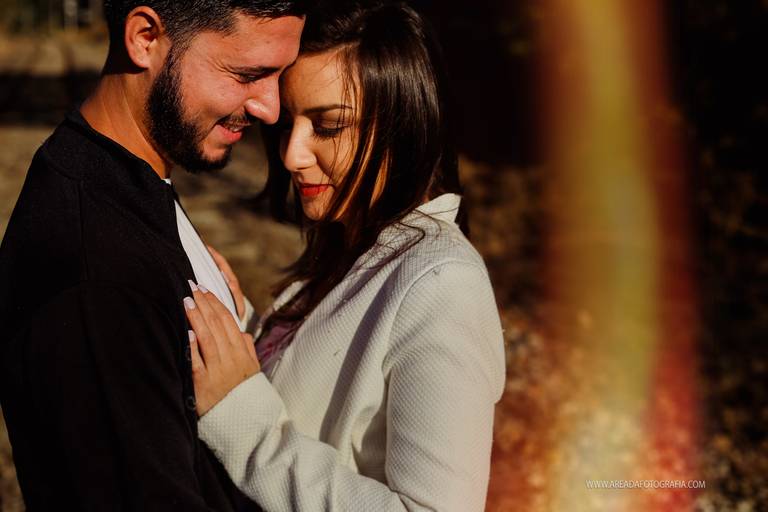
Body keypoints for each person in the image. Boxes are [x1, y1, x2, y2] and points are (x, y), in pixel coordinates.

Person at [183, 2, 507, 511]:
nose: (292, 155)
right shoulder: (356, 251)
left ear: (404, 124)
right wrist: (242, 334)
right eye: (288, 124)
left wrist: (242, 422)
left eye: (329, 126)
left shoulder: (443, 284)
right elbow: (321, 408)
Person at [0, 1, 307, 510]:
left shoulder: (131, 178)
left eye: (280, 75)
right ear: (144, 38)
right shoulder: (97, 278)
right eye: (248, 74)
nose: (270, 109)